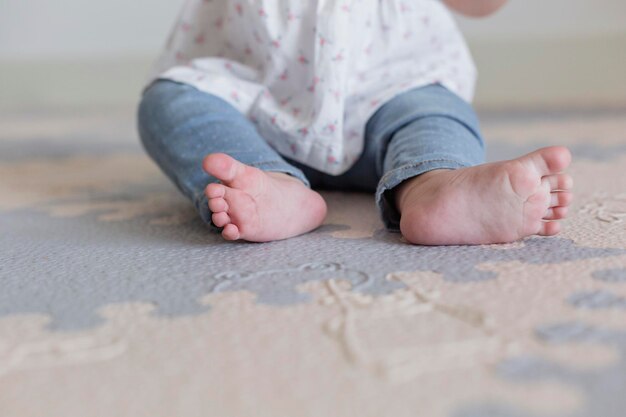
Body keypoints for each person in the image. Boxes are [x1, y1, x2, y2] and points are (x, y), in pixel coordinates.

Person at [137, 0, 573, 245]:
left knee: (432, 110)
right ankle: (271, 183)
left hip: (389, 87)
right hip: (255, 98)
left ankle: (432, 183)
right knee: (170, 100)